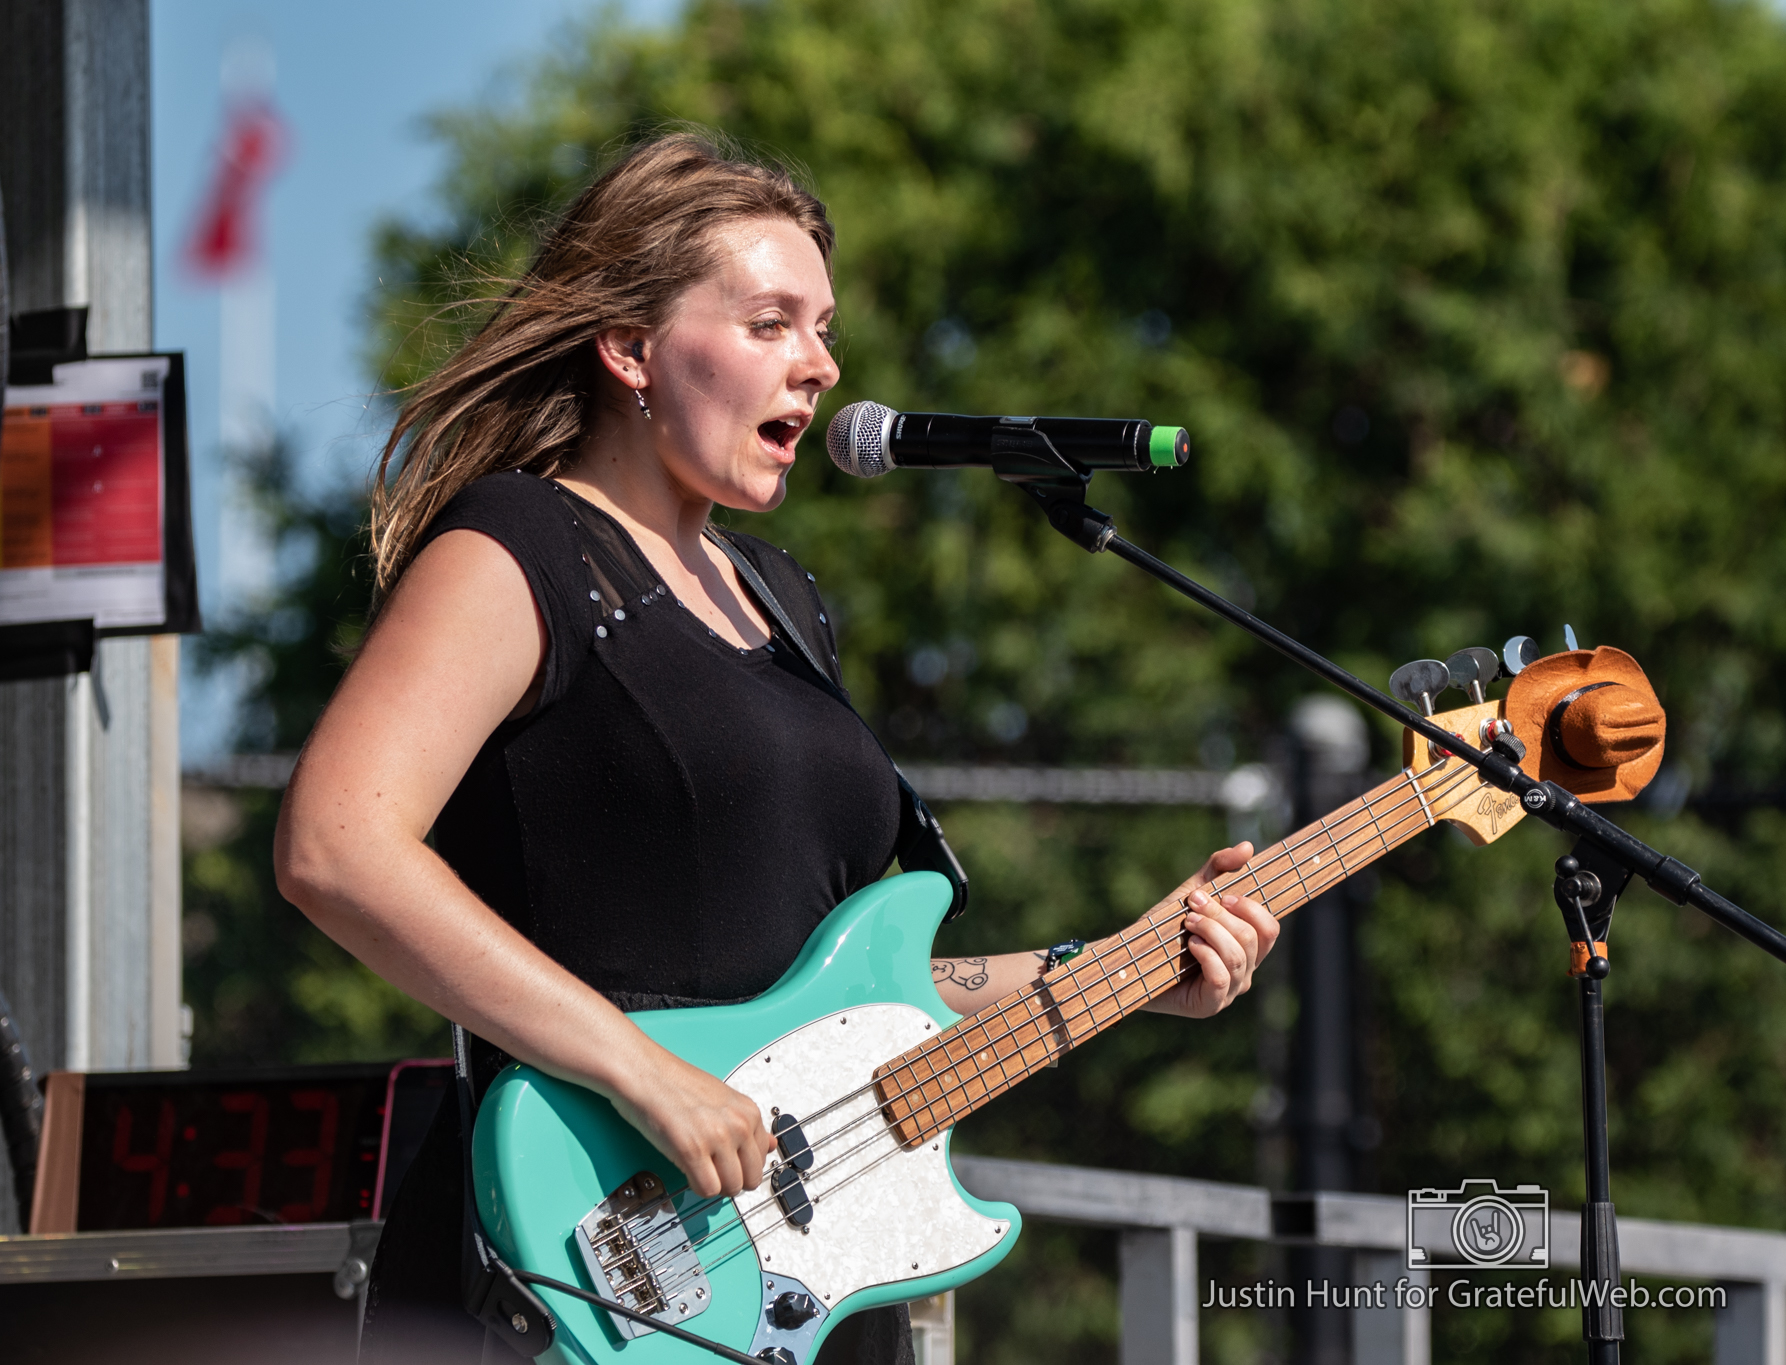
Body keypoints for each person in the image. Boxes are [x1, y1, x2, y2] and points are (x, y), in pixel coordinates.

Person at [275, 131, 1280, 1365]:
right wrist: (639, 1069)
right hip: (589, 1257)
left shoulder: (780, 599)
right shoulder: (518, 550)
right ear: (630, 348)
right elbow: (335, 846)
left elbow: (862, 997)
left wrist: (1124, 964)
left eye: (823, 328)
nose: (820, 364)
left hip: (797, 1287)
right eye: (769, 323)